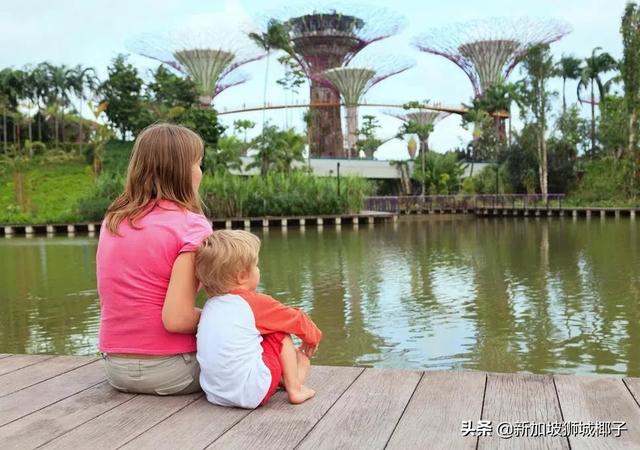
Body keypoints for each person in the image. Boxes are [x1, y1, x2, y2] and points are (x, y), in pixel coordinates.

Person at [97, 123, 212, 395]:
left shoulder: (113, 221)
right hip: (174, 370)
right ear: (182, 172)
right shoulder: (192, 227)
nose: (200, 172)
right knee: (259, 336)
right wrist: (226, 316)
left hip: (115, 368)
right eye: (197, 163)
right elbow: (177, 319)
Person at [195, 230, 322, 408]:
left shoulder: (211, 306)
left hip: (215, 393)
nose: (258, 269)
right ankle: (295, 388)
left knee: (257, 337)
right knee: (279, 332)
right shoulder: (252, 303)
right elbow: (296, 319)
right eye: (256, 265)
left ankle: (284, 379)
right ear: (242, 276)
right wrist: (313, 338)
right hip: (252, 392)